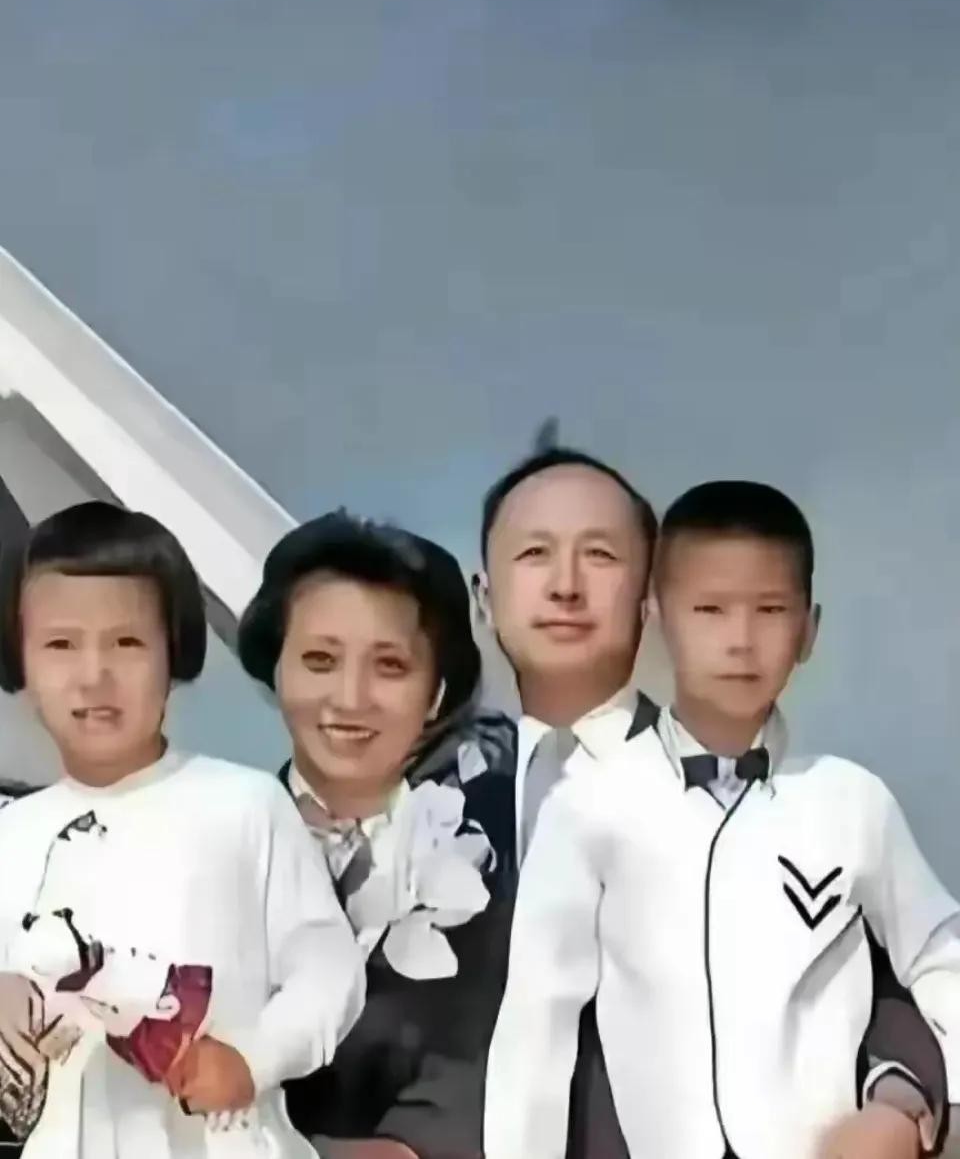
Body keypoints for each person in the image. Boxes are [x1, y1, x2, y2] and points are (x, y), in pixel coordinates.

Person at [483, 479, 960, 1159]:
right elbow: (538, 1021)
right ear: (657, 617)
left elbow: (941, 953)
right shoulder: (589, 801)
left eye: (770, 610)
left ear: (808, 630)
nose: (740, 640)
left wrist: (938, 1099)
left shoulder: (851, 801)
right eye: (710, 609)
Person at [0, 501, 365, 1158]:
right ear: (20, 661)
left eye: (127, 643)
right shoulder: (12, 835)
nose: (93, 675)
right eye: (60, 645)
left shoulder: (244, 805)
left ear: (174, 654)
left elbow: (328, 969)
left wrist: (253, 1059)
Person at [237, 511, 517, 1159]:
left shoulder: (513, 854)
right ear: (276, 669)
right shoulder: (213, 847)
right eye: (319, 660)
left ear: (437, 692)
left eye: (389, 666)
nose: (349, 698)